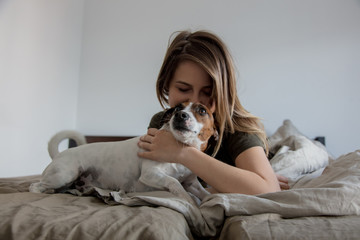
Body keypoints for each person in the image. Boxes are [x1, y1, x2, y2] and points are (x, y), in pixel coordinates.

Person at [138, 30, 289, 194]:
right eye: (183, 89)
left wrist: (181, 153)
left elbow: (268, 190)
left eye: (208, 92)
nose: (195, 100)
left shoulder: (238, 129)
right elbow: (152, 184)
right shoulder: (162, 122)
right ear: (166, 85)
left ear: (224, 93)